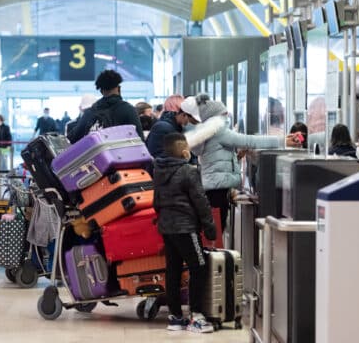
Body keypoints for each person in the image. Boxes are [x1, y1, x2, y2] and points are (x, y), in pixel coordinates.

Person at [182, 94, 283, 229]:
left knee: (214, 228)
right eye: (224, 113)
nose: (227, 114)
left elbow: (216, 154)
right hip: (218, 189)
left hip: (212, 186)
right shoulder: (218, 131)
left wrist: (236, 156)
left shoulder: (207, 131)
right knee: (217, 228)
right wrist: (282, 141)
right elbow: (249, 141)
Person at [153, 132, 216, 334]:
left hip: (166, 227)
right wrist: (209, 225)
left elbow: (155, 201)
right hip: (185, 227)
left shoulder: (158, 169)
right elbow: (200, 201)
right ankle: (196, 316)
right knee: (199, 267)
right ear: (184, 151)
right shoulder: (188, 171)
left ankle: (175, 317)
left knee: (173, 270)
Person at [67, 70, 144, 143]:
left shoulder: (90, 112)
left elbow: (72, 138)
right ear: (118, 88)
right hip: (122, 155)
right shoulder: (128, 109)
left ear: (101, 91)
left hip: (95, 156)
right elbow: (140, 140)